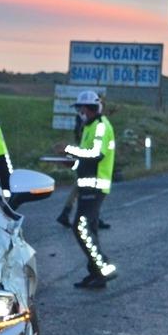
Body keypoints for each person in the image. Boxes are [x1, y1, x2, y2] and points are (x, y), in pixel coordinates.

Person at [62, 90, 117, 289]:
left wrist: (69, 150)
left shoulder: (100, 126)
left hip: (95, 185)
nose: (79, 112)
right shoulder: (90, 126)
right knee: (90, 229)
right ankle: (96, 274)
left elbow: (95, 154)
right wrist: (73, 164)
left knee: (81, 227)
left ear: (86, 108)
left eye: (80, 108)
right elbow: (86, 160)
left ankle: (103, 267)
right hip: (87, 183)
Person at [56, 107, 111, 229]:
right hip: (87, 156)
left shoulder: (88, 119)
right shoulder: (92, 121)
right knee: (85, 188)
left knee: (81, 186)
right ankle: (84, 215)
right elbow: (84, 137)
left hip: (85, 154)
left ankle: (70, 213)